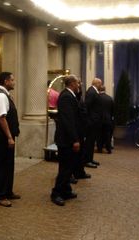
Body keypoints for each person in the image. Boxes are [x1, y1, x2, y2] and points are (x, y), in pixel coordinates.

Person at [51, 75, 81, 206]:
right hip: (66, 139)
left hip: (68, 138)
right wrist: (75, 139)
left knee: (69, 166)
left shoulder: (69, 95)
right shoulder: (66, 97)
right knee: (65, 168)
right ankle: (56, 193)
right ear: (72, 83)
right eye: (77, 83)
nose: (79, 85)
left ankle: (66, 190)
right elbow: (68, 121)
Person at [0, 72, 20, 207]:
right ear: (6, 81)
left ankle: (8, 191)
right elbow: (2, 118)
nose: (14, 82)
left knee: (9, 165)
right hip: (3, 137)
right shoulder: (1, 96)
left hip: (7, 137)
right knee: (2, 166)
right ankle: (0, 195)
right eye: (12, 80)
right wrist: (9, 137)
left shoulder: (5, 95)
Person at [83, 78, 102, 168]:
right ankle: (87, 160)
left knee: (91, 142)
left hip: (94, 121)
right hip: (91, 122)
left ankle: (90, 159)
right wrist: (89, 120)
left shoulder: (93, 91)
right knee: (89, 142)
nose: (101, 86)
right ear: (97, 83)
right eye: (100, 84)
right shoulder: (91, 92)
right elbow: (87, 106)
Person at [97, 85, 114, 154]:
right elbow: (113, 110)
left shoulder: (97, 98)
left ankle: (100, 148)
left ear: (98, 90)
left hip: (99, 119)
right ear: (105, 89)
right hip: (108, 119)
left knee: (99, 135)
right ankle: (108, 149)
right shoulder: (110, 98)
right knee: (107, 135)